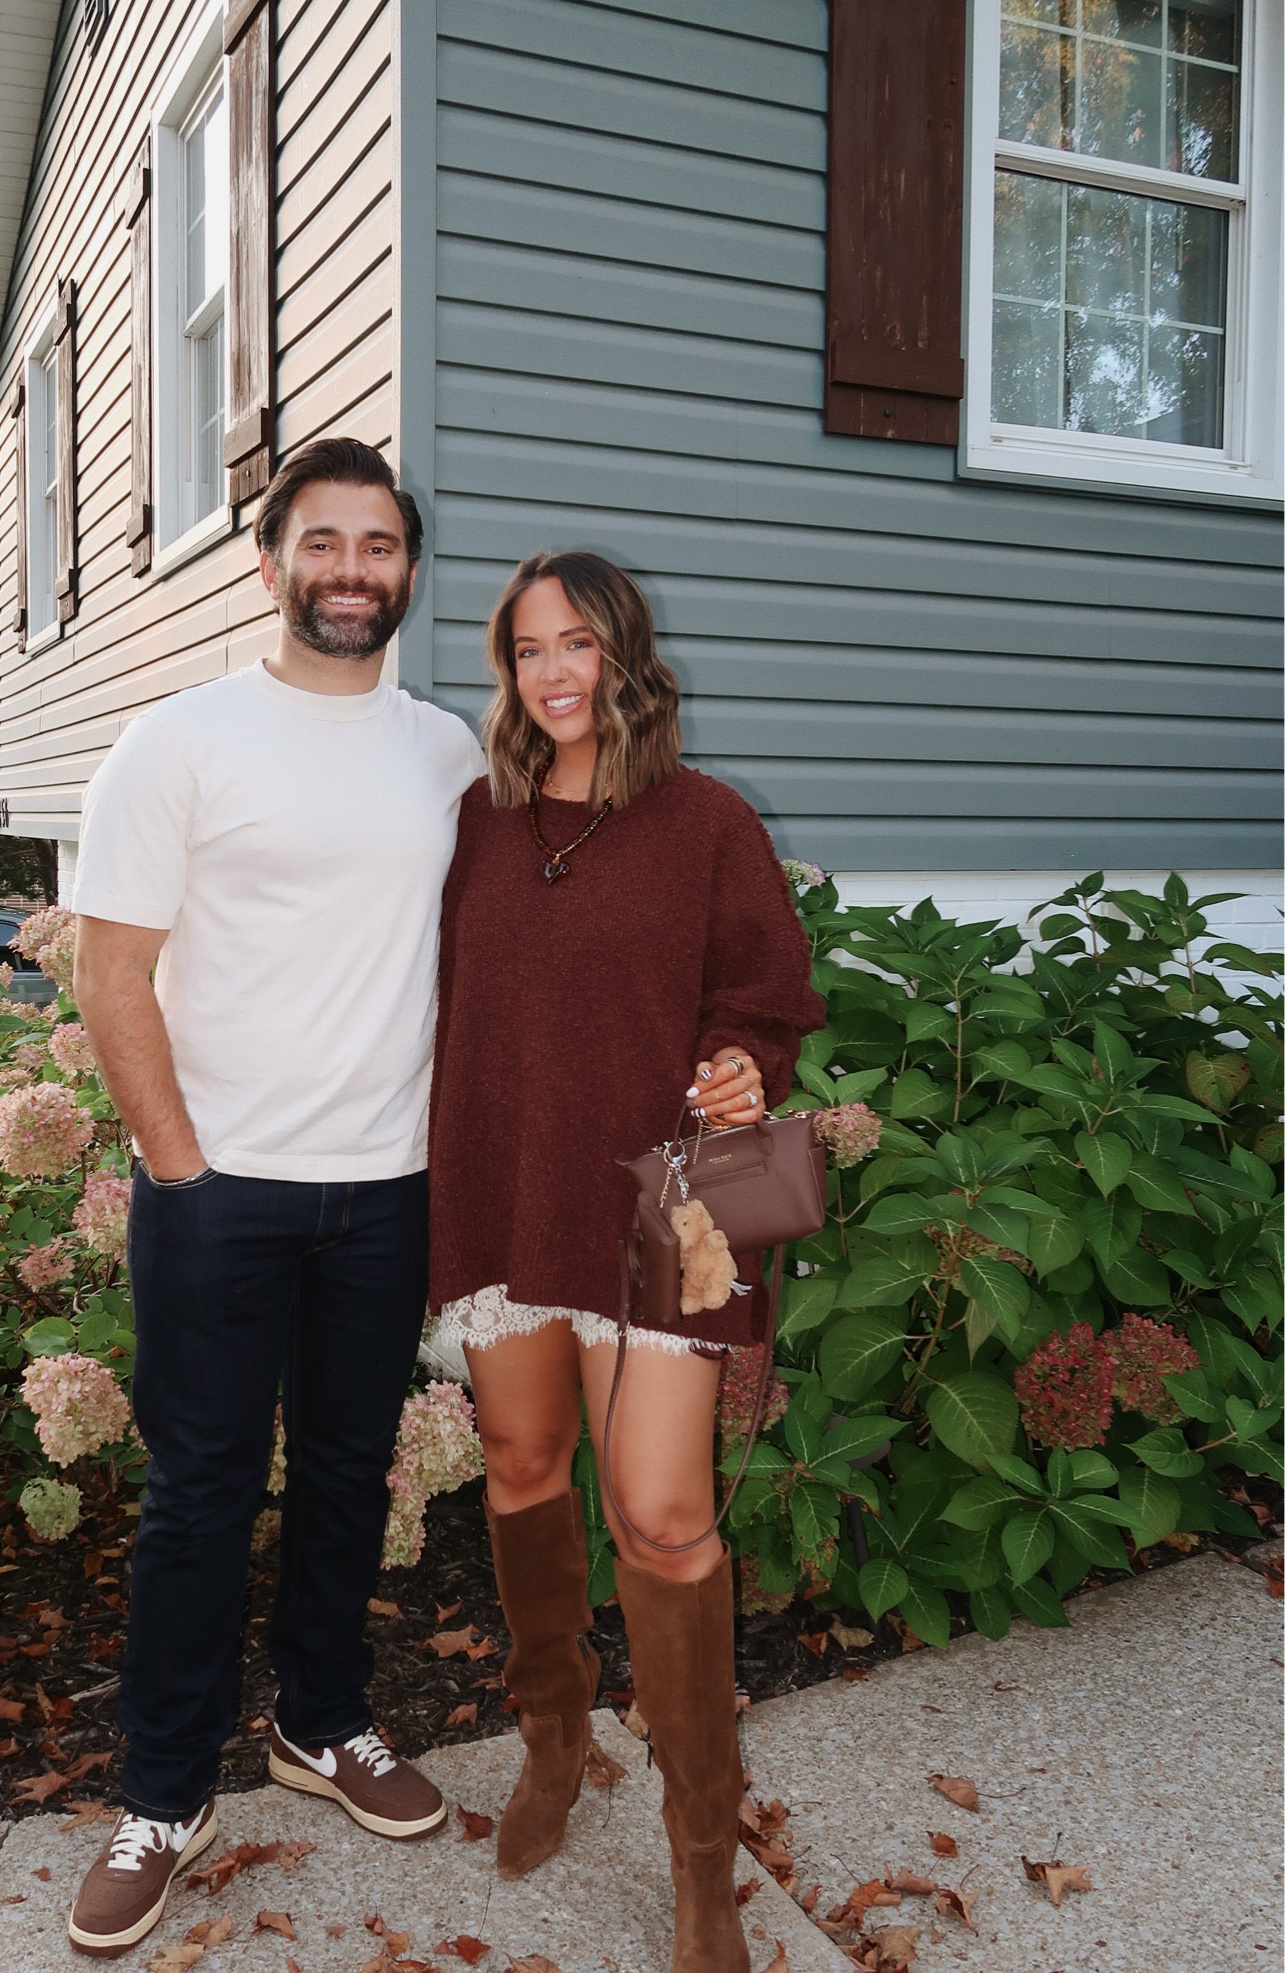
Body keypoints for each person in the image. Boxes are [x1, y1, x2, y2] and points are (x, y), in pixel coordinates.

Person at [65, 437, 484, 1958]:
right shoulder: (179, 744)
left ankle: (323, 1723)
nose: (350, 570)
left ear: (409, 571)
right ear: (271, 564)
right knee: (200, 1494)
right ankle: (164, 1794)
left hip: (386, 1189)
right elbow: (110, 974)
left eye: (377, 545)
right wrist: (181, 1166)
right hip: (219, 1189)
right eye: (322, 542)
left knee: (351, 1473)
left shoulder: (449, 754)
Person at [427, 551, 824, 1973]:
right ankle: (553, 1737)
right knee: (523, 1464)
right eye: (528, 648)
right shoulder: (475, 822)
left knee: (661, 1517)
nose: (554, 672)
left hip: (672, 1201)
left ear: (625, 654)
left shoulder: (708, 822)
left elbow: (767, 997)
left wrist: (743, 1064)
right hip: (508, 1184)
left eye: (577, 643)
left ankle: (701, 1857)